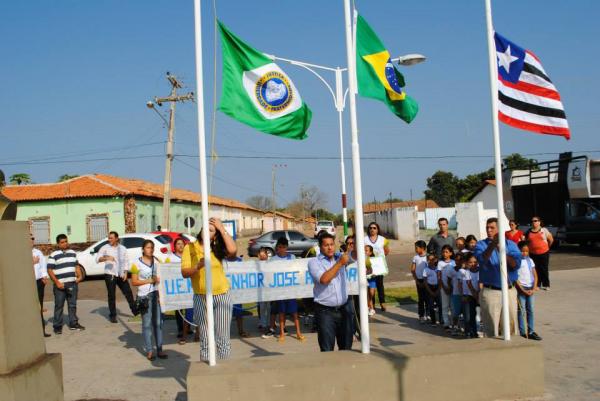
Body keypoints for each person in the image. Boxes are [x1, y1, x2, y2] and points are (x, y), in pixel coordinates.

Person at [181, 217, 237, 362]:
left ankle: (225, 372)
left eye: (211, 230)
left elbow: (233, 250)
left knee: (223, 337)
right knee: (205, 338)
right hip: (201, 297)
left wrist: (221, 228)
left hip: (222, 296)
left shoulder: (217, 248)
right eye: (205, 228)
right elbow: (184, 273)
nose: (207, 232)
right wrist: (197, 267)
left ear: (215, 235)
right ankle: (206, 370)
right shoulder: (190, 247)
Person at [474, 218, 521, 338]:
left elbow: (515, 265)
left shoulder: (511, 245)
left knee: (510, 328)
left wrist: (502, 250)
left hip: (509, 291)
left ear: (500, 229)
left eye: (492, 228)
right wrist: (492, 245)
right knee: (491, 329)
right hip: (491, 291)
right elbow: (482, 259)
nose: (489, 230)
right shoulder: (481, 244)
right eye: (487, 228)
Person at [308, 232, 353, 352]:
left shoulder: (340, 257)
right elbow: (324, 279)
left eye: (332, 244)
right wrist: (339, 264)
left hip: (344, 309)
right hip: (325, 312)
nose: (330, 247)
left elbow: (358, 256)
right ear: (320, 247)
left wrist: (354, 242)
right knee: (327, 350)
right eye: (326, 245)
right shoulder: (314, 262)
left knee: (346, 348)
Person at [131, 240, 166, 360]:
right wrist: (149, 280)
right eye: (148, 247)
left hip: (156, 294)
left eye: (152, 247)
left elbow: (164, 274)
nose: (150, 250)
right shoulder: (136, 263)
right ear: (143, 249)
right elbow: (134, 282)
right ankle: (149, 350)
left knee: (158, 323)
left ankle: (160, 349)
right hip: (144, 297)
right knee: (146, 324)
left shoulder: (157, 261)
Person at [47, 234, 85, 334]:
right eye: (62, 242)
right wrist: (57, 282)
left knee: (72, 305)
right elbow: (50, 270)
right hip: (60, 285)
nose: (65, 244)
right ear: (58, 244)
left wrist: (80, 276)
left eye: (66, 241)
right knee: (59, 306)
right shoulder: (54, 255)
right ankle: (57, 326)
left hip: (72, 284)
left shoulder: (72, 253)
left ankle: (73, 323)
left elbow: (76, 265)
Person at [96, 231, 137, 323]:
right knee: (111, 295)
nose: (109, 239)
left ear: (116, 238)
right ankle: (113, 315)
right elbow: (97, 259)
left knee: (128, 293)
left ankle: (135, 312)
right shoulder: (105, 248)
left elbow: (126, 261)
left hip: (121, 274)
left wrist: (126, 272)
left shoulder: (122, 248)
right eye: (109, 237)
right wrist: (106, 258)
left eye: (111, 238)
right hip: (110, 274)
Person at [271, 237, 304, 342]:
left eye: (284, 247)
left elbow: (298, 269)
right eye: (279, 247)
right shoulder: (273, 260)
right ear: (277, 248)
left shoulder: (292, 257)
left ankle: (298, 332)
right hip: (280, 291)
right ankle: (281, 333)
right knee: (281, 313)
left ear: (287, 247)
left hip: (290, 290)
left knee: (294, 313)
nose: (282, 249)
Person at [169, 237, 196, 345]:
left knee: (189, 306)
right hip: (177, 287)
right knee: (179, 308)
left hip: (189, 286)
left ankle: (188, 327)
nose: (180, 246)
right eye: (178, 244)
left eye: (182, 244)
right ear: (174, 246)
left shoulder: (188, 256)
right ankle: (181, 329)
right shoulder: (170, 258)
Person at [515, 241, 542, 341]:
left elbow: (535, 275)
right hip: (521, 289)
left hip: (531, 288)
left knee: (530, 310)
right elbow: (515, 278)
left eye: (526, 251)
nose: (524, 253)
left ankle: (531, 330)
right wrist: (522, 289)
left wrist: (534, 288)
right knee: (521, 311)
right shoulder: (517, 262)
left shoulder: (530, 260)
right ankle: (523, 331)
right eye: (522, 251)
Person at [365, 222, 390, 312]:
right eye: (371, 227)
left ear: (378, 229)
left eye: (374, 228)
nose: (372, 229)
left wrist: (379, 258)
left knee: (380, 284)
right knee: (371, 285)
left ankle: (382, 302)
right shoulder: (364, 239)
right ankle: (372, 305)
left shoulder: (383, 239)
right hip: (368, 265)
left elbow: (387, 251)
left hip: (379, 264)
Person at [526, 216, 553, 290]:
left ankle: (546, 284)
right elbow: (527, 242)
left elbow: (550, 240)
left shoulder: (544, 230)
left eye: (535, 221)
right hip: (533, 253)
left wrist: (547, 247)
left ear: (539, 222)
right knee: (535, 269)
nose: (533, 222)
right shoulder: (529, 231)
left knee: (544, 269)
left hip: (544, 252)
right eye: (532, 221)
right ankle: (537, 284)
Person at [226, 255, 249, 338]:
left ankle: (240, 330)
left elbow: (245, 273)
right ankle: (224, 332)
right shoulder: (223, 260)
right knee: (224, 313)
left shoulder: (240, 260)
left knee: (239, 313)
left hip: (237, 291)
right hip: (225, 291)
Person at [32, 235, 50, 337]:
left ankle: (41, 331)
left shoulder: (37, 252)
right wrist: (32, 262)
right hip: (27, 284)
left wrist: (44, 276)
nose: (31, 240)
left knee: (39, 306)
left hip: (38, 282)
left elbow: (43, 265)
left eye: (33, 238)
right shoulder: (20, 252)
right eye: (29, 238)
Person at [437, 245, 455, 331]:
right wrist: (444, 287)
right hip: (443, 288)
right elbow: (439, 277)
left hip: (453, 288)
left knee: (453, 306)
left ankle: (453, 323)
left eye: (447, 252)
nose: (444, 253)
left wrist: (451, 287)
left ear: (451, 253)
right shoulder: (440, 263)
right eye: (443, 252)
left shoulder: (453, 263)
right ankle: (446, 323)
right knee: (445, 306)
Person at [410, 240, 428, 324]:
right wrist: (417, 280)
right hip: (419, 280)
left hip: (427, 281)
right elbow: (413, 270)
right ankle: (421, 315)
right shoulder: (415, 257)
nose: (415, 249)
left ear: (423, 248)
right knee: (421, 299)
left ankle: (428, 314)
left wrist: (426, 281)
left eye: (417, 248)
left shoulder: (427, 257)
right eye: (415, 248)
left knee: (427, 298)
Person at [463, 253, 480, 338]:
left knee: (479, 316)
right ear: (467, 263)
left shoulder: (480, 271)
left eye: (475, 262)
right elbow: (469, 284)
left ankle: (476, 332)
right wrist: (475, 295)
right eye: (470, 262)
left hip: (480, 295)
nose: (473, 264)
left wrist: (478, 295)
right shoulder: (467, 272)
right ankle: (469, 332)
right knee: (470, 316)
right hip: (470, 296)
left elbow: (480, 283)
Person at [423, 254, 441, 326]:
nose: (430, 261)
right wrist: (430, 291)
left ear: (436, 260)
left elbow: (440, 280)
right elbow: (425, 281)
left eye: (432, 259)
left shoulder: (438, 269)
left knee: (440, 305)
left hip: (437, 287)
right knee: (431, 306)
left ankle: (440, 319)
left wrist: (438, 290)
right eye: (429, 260)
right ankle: (433, 321)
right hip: (429, 288)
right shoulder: (426, 270)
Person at [449, 253, 465, 336]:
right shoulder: (452, 269)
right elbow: (449, 280)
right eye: (456, 260)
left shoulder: (465, 270)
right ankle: (454, 326)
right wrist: (450, 290)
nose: (458, 262)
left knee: (465, 312)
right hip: (456, 294)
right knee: (456, 312)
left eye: (460, 260)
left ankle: (465, 328)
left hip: (465, 294)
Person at [256, 247, 271, 332]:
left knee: (269, 307)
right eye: (260, 255)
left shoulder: (270, 264)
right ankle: (263, 323)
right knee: (261, 307)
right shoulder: (256, 264)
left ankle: (269, 323)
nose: (262, 257)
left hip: (268, 289)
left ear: (266, 255)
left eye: (263, 255)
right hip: (260, 290)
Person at [364, 245, 377, 316]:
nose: (364, 252)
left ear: (370, 252)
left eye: (366, 250)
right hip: (364, 279)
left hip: (372, 279)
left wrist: (375, 273)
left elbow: (377, 269)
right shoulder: (361, 259)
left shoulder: (373, 259)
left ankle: (369, 306)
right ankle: (371, 308)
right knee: (366, 293)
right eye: (363, 250)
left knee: (371, 293)